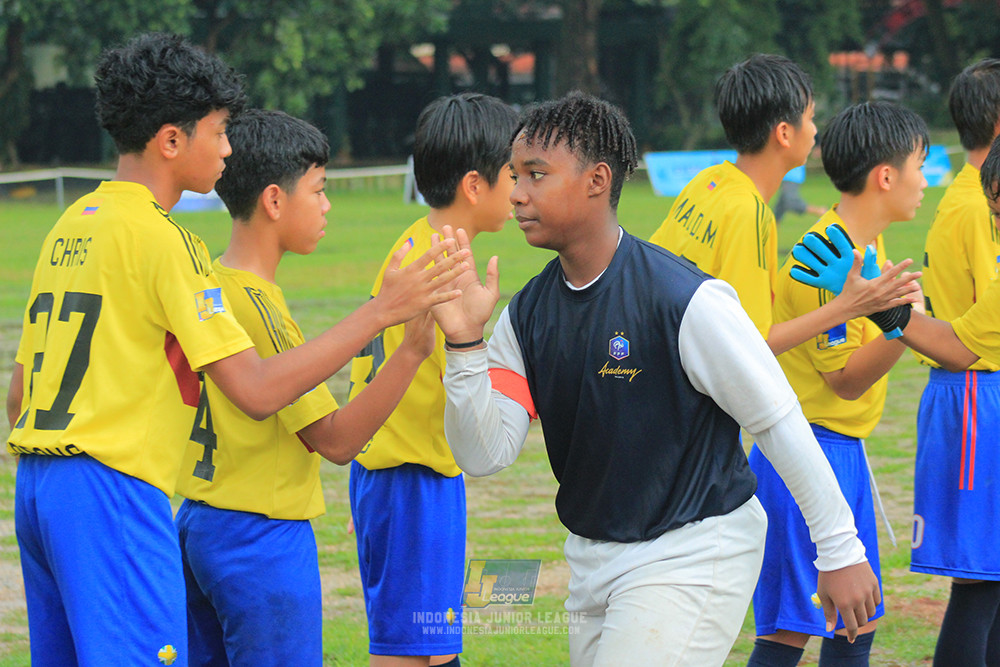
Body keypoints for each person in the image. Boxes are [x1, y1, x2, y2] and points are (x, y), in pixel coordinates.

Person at [4, 34, 466, 667]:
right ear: (172, 140)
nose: (227, 147)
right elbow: (255, 391)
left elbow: (19, 394)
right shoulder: (167, 241)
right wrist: (382, 311)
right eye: (218, 132)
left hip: (37, 486)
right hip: (113, 492)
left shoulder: (70, 224)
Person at [431, 92, 881, 667]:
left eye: (537, 175)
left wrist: (839, 549)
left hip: (693, 551)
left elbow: (776, 417)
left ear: (597, 180)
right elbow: (485, 453)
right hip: (591, 560)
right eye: (515, 175)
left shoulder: (684, 299)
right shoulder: (528, 314)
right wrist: (465, 347)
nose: (517, 192)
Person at [173, 109, 438, 666]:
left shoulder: (209, 286)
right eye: (318, 190)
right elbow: (337, 441)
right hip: (257, 538)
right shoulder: (260, 305)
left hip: (197, 522)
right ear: (274, 201)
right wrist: (410, 349)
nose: (327, 206)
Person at [747, 102, 929, 667]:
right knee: (788, 634)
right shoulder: (825, 256)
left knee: (856, 626)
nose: (926, 182)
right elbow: (845, 380)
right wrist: (904, 327)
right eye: (921, 166)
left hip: (841, 453)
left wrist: (902, 317)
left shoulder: (864, 250)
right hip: (806, 453)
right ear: (886, 176)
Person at [346, 92, 519, 667]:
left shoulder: (426, 244)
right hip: (408, 482)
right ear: (475, 185)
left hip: (417, 477)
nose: (519, 189)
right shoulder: (440, 264)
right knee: (405, 651)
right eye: (511, 174)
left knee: (433, 648)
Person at [648, 54, 919, 355]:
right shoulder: (749, 212)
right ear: (785, 133)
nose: (816, 130)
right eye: (811, 118)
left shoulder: (709, 180)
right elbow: (753, 344)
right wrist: (848, 306)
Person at [910, 59, 1000, 667]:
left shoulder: (970, 195)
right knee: (979, 580)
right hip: (975, 393)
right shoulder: (974, 205)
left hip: (978, 382)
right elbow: (969, 331)